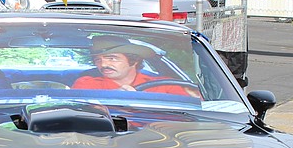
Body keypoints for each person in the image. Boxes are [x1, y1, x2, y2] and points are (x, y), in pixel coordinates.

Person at [71, 35, 200, 97]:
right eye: (98, 60)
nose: (103, 64)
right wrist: (114, 96)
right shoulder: (86, 84)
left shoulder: (165, 85)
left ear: (134, 60)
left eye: (112, 58)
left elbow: (195, 112)